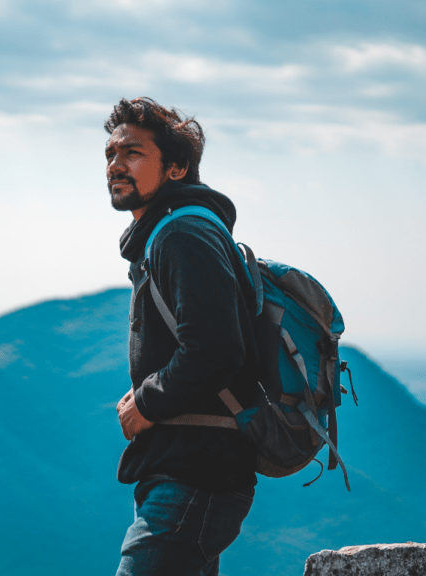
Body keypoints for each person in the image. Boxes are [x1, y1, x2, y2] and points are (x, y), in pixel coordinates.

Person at [106, 97, 261, 576]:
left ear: (176, 168)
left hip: (195, 475)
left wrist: (146, 404)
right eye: (110, 155)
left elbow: (215, 350)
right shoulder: (170, 235)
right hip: (186, 472)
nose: (115, 165)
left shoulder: (182, 235)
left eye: (132, 153)